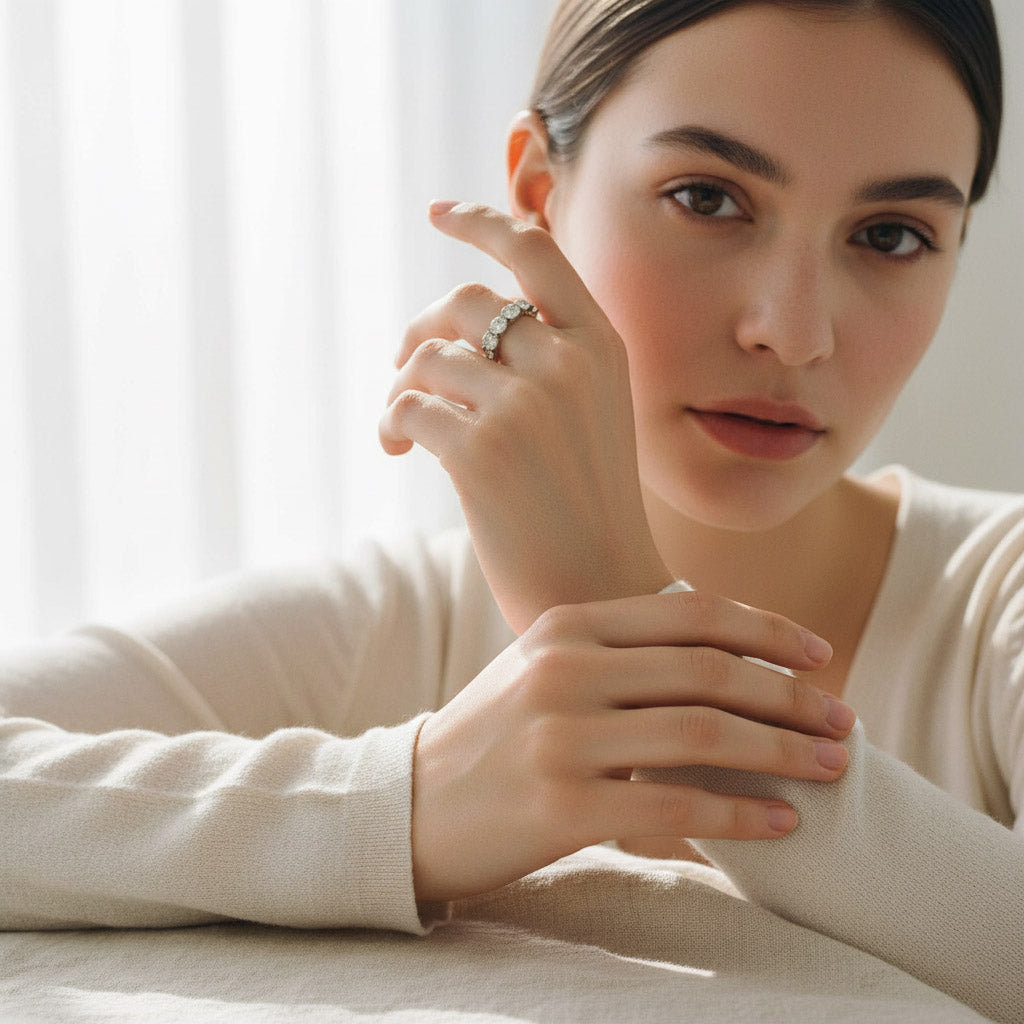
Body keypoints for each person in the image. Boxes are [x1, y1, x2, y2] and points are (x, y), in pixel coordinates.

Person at [1, 1, 1021, 1021]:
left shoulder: (994, 600)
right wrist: (407, 805)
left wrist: (622, 613)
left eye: (892, 235)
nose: (792, 333)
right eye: (707, 198)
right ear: (538, 192)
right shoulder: (400, 623)